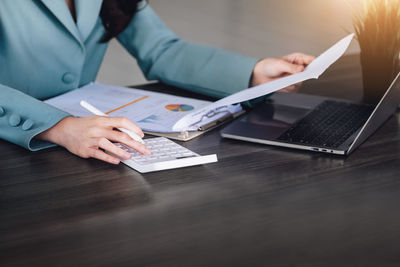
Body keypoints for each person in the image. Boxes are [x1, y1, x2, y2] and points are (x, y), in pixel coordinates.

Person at [0, 0, 314, 165]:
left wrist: (254, 73)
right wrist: (59, 126)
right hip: (17, 143)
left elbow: (160, 49)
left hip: (84, 145)